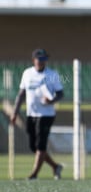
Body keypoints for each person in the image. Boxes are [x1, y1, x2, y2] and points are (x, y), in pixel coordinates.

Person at [10, 48, 64, 180]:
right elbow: (21, 94)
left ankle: (34, 174)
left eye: (44, 59)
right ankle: (55, 166)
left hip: (46, 115)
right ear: (34, 60)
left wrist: (52, 100)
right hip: (31, 114)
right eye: (39, 59)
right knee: (33, 147)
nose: (42, 62)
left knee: (41, 145)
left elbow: (60, 93)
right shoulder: (27, 73)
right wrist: (14, 112)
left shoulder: (52, 74)